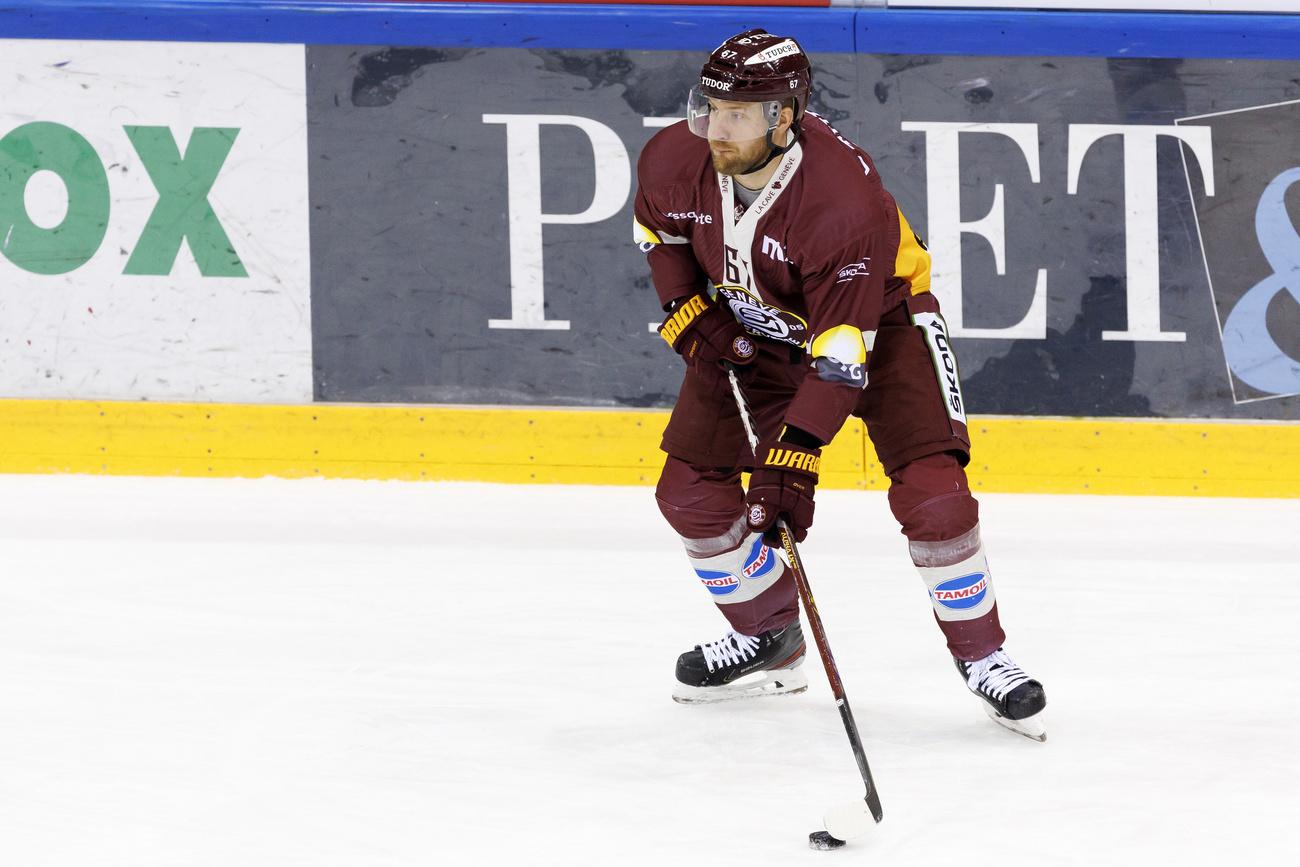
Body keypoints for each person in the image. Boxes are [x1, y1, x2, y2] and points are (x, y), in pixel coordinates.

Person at [633, 29, 1047, 740]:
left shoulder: (840, 200)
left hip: (878, 324)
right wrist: (687, 309)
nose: (713, 128)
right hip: (755, 327)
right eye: (710, 106)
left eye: (736, 114)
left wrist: (792, 458)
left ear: (783, 117)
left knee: (935, 494)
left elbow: (841, 356)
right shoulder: (675, 154)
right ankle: (771, 636)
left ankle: (985, 657)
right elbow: (659, 233)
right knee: (688, 492)